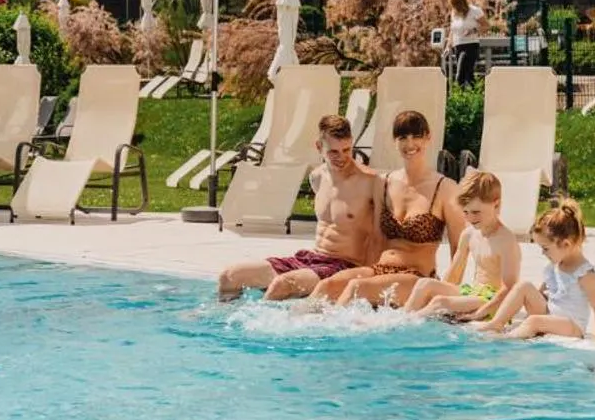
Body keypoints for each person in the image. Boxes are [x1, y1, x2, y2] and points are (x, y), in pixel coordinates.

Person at [309, 110, 468, 308]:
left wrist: (450, 293)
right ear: (395, 141)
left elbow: (460, 248)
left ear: (428, 138)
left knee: (355, 289)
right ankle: (297, 333)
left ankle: (332, 335)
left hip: (416, 275)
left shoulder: (445, 188)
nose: (410, 144)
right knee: (326, 286)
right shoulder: (384, 183)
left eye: (417, 136)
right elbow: (376, 238)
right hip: (380, 269)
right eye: (403, 137)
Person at [215, 115, 381, 302]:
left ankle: (262, 328)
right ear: (319, 147)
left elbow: (383, 234)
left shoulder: (370, 182)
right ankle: (222, 325)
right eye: (334, 152)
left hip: (345, 265)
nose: (342, 158)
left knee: (281, 285)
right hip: (311, 259)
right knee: (230, 276)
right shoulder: (317, 177)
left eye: (347, 150)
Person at [478, 200, 595, 342]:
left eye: (545, 248)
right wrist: (527, 302)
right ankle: (496, 323)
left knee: (534, 321)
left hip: (571, 325)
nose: (543, 253)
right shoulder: (555, 265)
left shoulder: (584, 272)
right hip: (550, 315)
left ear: (566, 244)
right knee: (524, 286)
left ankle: (505, 342)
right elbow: (540, 294)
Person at [406, 170, 521, 319]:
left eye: (476, 212)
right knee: (424, 284)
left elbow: (510, 288)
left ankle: (406, 324)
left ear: (496, 204)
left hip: (492, 301)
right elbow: (454, 275)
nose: (470, 218)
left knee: (440, 302)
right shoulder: (469, 234)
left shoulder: (505, 240)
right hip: (472, 292)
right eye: (465, 212)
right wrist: (439, 290)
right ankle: (400, 320)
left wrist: (479, 312)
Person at [447, 0, 482, 86]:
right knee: (469, 75)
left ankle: (458, 95)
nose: (455, 8)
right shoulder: (454, 13)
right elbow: (452, 30)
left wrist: (473, 31)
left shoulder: (474, 11)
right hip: (458, 45)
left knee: (460, 75)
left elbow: (486, 25)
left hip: (470, 45)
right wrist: (448, 45)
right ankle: (476, 95)